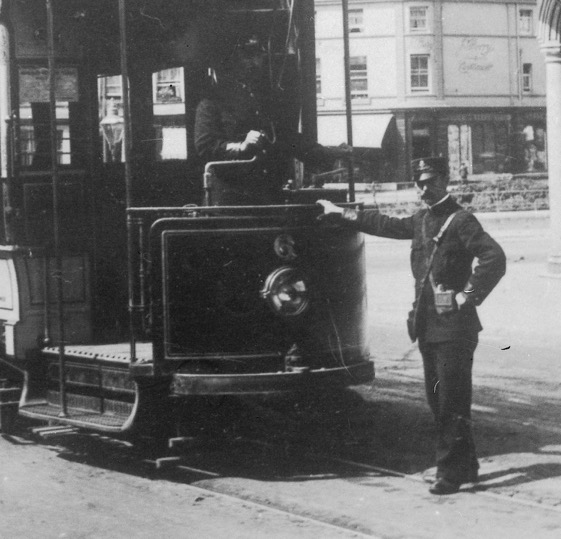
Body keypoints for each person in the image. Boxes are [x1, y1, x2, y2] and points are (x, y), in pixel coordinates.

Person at [317, 157, 506, 495]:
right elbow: (385, 224)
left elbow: (495, 257)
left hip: (455, 329)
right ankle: (468, 464)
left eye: (430, 181)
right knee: (440, 402)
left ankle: (449, 472)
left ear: (446, 181)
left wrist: (468, 296)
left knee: (451, 402)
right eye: (419, 182)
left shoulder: (461, 221)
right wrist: (342, 213)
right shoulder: (420, 221)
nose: (423, 187)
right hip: (427, 327)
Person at [194, 35, 350, 205]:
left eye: (258, 56)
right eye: (248, 56)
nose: (255, 63)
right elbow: (206, 146)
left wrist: (327, 154)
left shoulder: (261, 101)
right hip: (228, 199)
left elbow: (285, 139)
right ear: (232, 62)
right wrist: (241, 147)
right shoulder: (210, 103)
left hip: (264, 195)